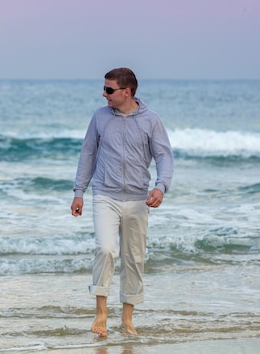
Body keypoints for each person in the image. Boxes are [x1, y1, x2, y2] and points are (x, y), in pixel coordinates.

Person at [71, 67, 174, 337]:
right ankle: (101, 313)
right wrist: (79, 191)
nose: (103, 94)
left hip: (139, 198)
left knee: (133, 259)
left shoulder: (151, 120)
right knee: (105, 249)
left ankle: (127, 320)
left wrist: (161, 187)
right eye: (104, 88)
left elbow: (163, 157)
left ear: (126, 92)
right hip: (106, 194)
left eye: (109, 89)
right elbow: (88, 154)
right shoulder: (100, 117)